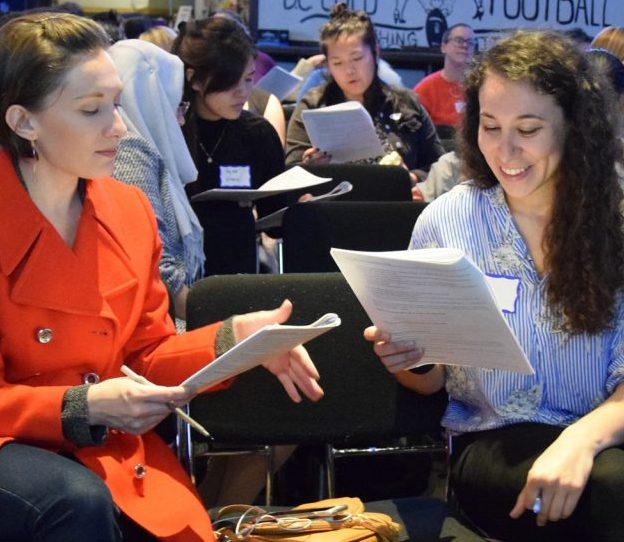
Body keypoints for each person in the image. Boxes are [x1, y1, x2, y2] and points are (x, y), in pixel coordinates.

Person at [0, 12, 323, 542]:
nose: (120, 128)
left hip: (110, 457)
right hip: (24, 455)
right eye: (91, 110)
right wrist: (80, 405)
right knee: (74, 503)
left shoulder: (127, 209)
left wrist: (237, 339)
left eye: (118, 104)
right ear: (23, 121)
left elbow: (147, 353)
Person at [365, 30, 624, 542]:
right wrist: (408, 357)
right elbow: (431, 382)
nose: (505, 151)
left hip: (603, 436)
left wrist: (581, 440)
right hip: (491, 443)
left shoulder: (613, 219)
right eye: (489, 126)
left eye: (528, 129)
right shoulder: (447, 221)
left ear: (574, 127)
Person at [172, 17, 285, 276]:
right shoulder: (172, 132)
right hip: (178, 272)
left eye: (248, 79)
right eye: (230, 81)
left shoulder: (257, 134)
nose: (243, 92)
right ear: (196, 80)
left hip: (237, 272)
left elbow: (275, 223)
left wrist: (299, 205)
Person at [285, 3, 444, 187]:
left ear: (375, 51)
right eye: (337, 63)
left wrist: (411, 178)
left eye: (357, 58)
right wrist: (311, 167)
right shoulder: (312, 106)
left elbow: (439, 167)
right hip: (332, 209)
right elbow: (291, 173)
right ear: (327, 64)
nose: (349, 70)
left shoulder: (406, 103)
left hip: (397, 207)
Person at [109, 39, 202, 321]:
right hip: (161, 327)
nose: (182, 120)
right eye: (175, 106)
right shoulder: (130, 152)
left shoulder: (130, 147)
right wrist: (212, 321)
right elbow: (155, 260)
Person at [413, 23, 475, 127]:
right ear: (443, 47)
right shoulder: (426, 88)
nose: (465, 46)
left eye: (470, 42)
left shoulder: (481, 87)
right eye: (459, 40)